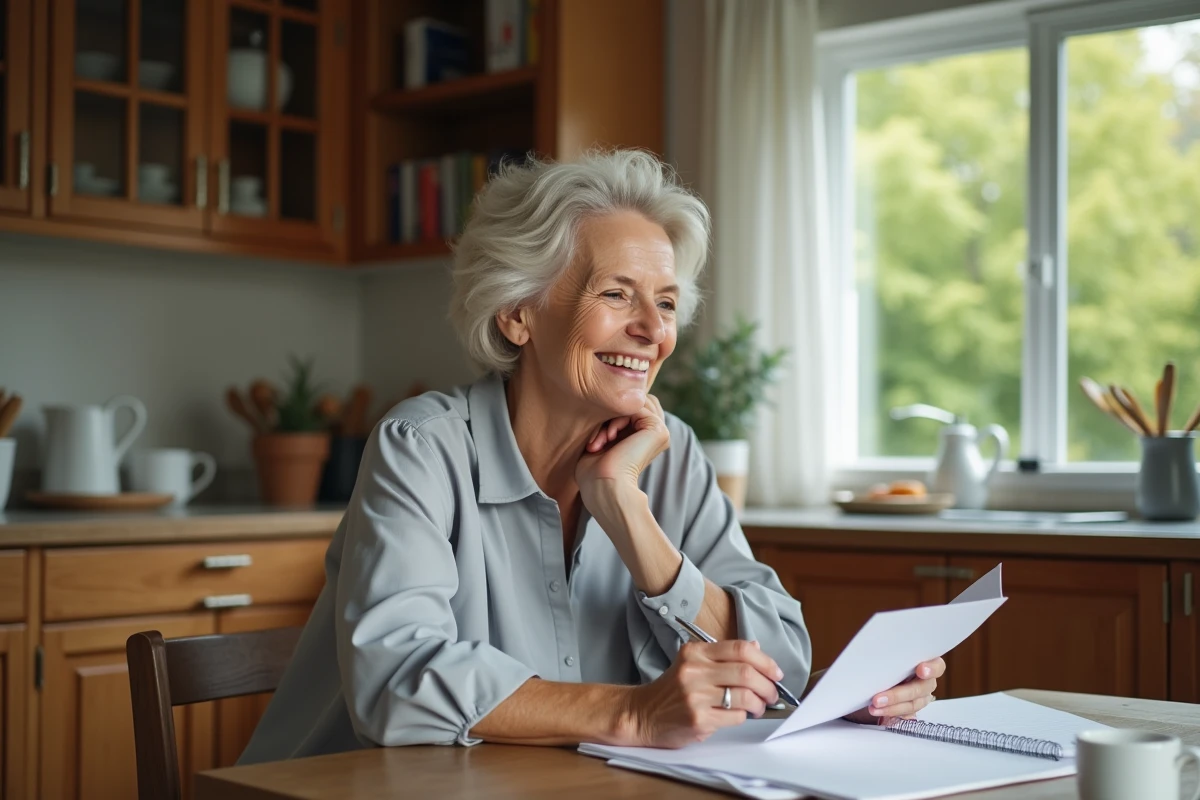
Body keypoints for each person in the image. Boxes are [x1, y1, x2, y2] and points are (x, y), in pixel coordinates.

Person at [238, 149, 943, 763]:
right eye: (616, 294)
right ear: (518, 313)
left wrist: (627, 512)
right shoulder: (421, 447)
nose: (652, 330)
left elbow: (781, 658)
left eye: (666, 304)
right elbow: (396, 683)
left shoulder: (672, 458)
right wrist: (634, 713)